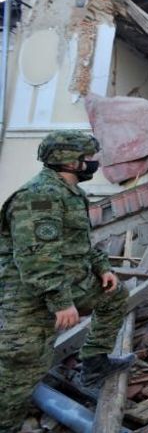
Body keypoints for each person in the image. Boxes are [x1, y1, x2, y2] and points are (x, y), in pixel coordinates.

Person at [0, 130, 132, 432]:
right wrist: (61, 303)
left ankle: (94, 364)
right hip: (27, 296)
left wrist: (102, 268)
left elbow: (80, 244)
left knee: (114, 295)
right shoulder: (39, 196)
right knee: (22, 366)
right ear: (70, 162)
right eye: (88, 158)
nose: (93, 163)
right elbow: (37, 258)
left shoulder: (71, 193)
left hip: (68, 282)